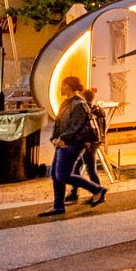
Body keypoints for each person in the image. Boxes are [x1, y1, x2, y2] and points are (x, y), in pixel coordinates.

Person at [40, 76, 107, 217]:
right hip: (62, 143)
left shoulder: (78, 104)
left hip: (72, 144)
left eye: (62, 85)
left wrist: (63, 138)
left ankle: (97, 189)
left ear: (69, 86)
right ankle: (58, 205)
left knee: (62, 174)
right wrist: (54, 138)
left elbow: (77, 126)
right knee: (55, 174)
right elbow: (58, 124)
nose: (60, 88)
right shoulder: (66, 103)